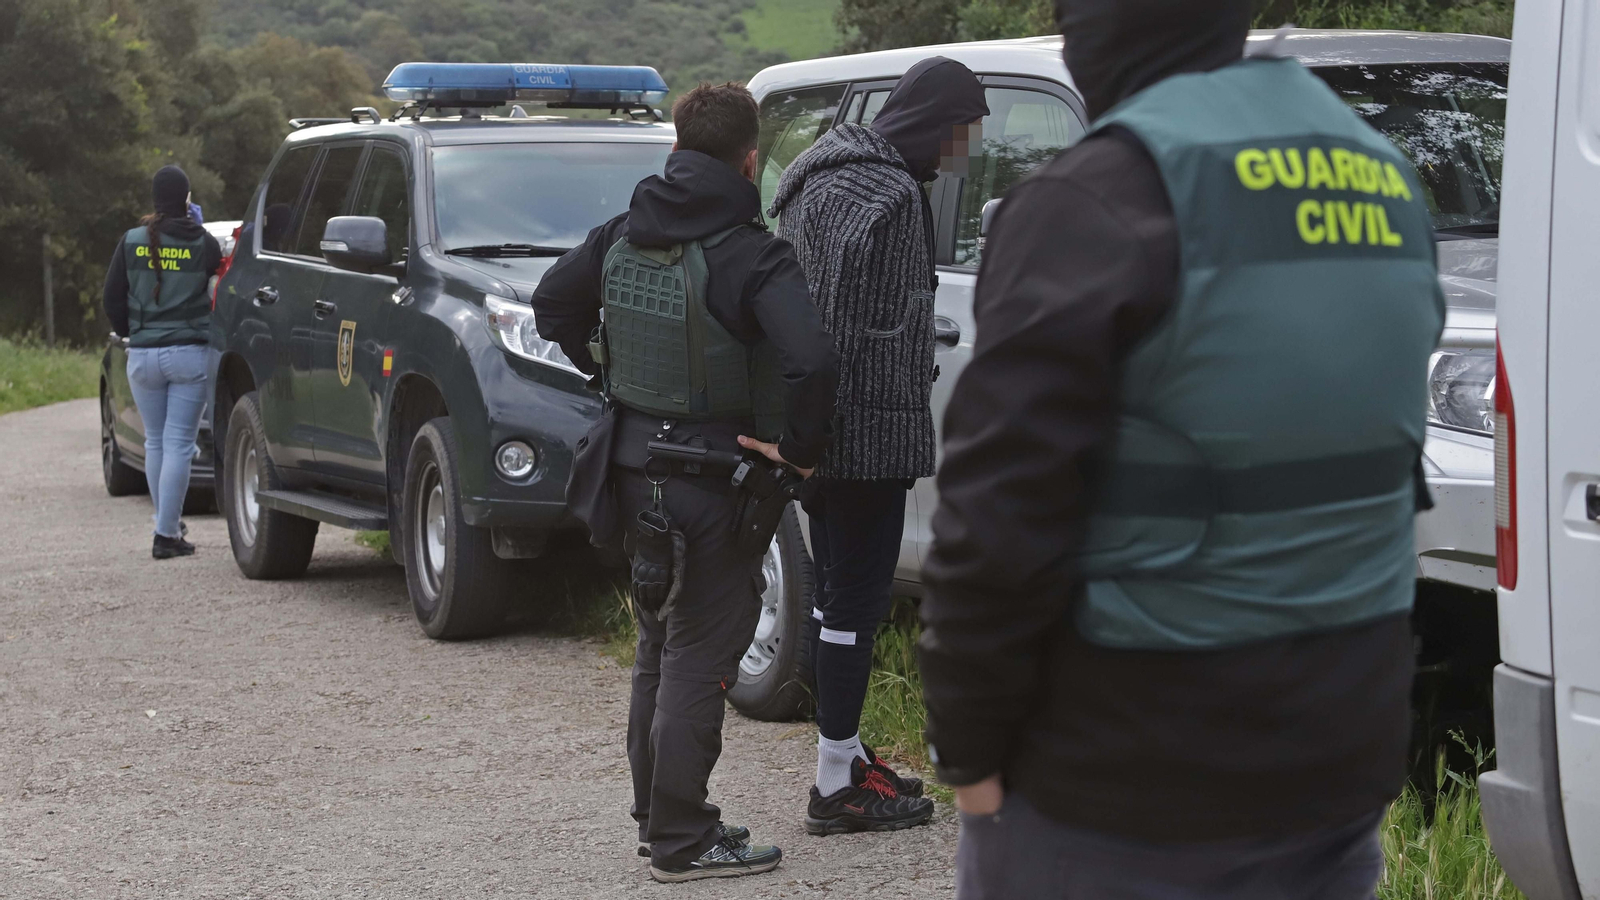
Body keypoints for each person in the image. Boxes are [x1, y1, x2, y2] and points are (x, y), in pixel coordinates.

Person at [919, 1, 1446, 897]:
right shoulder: (1383, 175)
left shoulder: (1094, 195)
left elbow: (995, 525)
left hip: (1131, 776)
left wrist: (967, 755)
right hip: (1342, 752)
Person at [531, 82, 838, 883]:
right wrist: (798, 452)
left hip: (629, 474)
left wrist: (610, 376)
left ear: (675, 147)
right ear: (749, 158)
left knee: (658, 650)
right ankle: (681, 838)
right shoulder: (752, 251)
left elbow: (550, 302)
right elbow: (813, 359)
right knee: (699, 655)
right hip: (713, 483)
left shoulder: (622, 234)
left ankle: (655, 820)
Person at [767, 56, 987, 835]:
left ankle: (847, 753)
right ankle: (835, 784)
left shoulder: (811, 179)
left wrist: (803, 436)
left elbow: (805, 315)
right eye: (962, 133)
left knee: (832, 599)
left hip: (812, 433)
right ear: (935, 123)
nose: (960, 151)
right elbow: (850, 330)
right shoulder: (892, 198)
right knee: (856, 605)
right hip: (867, 435)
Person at [102, 165, 223, 560]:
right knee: (178, 444)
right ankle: (166, 535)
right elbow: (215, 281)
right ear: (186, 199)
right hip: (189, 354)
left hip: (142, 357)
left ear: (155, 198)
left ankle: (164, 522)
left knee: (155, 442)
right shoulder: (203, 243)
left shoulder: (131, 240)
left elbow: (111, 298)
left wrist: (132, 332)